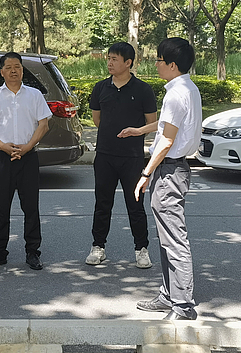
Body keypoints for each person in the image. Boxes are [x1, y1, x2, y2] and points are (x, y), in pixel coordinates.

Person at [125, 38, 202, 320]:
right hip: (174, 168)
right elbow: (170, 125)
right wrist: (140, 130)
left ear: (172, 65)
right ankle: (169, 295)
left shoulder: (175, 94)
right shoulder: (188, 88)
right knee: (167, 238)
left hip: (169, 170)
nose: (155, 64)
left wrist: (146, 173)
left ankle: (183, 305)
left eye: (158, 59)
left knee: (174, 239)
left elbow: (168, 140)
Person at [0, 52, 52, 270]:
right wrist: (2, 146)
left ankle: (33, 252)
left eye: (17, 66)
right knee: (1, 207)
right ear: (2, 72)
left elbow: (44, 125)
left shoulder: (34, 95)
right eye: (8, 67)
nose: (13, 71)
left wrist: (27, 147)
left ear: (22, 70)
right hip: (2, 157)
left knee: (31, 207)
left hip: (28, 157)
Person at [85, 42, 157, 269]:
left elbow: (152, 123)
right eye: (108, 58)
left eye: (114, 59)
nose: (109, 62)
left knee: (135, 205)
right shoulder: (100, 88)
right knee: (102, 203)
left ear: (128, 63)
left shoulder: (143, 90)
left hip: (132, 157)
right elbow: (97, 119)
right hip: (105, 155)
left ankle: (141, 249)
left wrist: (134, 134)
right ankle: (98, 247)